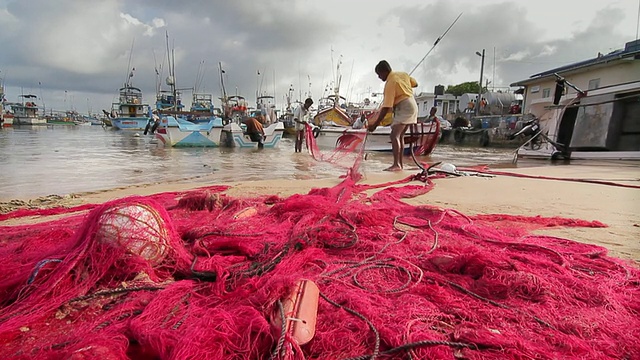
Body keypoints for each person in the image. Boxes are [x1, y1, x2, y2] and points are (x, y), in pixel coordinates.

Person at [367, 60, 418, 171]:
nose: (379, 77)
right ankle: (399, 165)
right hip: (412, 103)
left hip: (404, 106)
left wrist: (375, 124)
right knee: (400, 136)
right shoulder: (402, 74)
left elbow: (387, 107)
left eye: (379, 74)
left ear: (385, 71)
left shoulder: (390, 82)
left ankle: (396, 165)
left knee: (394, 135)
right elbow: (415, 83)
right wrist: (404, 84)